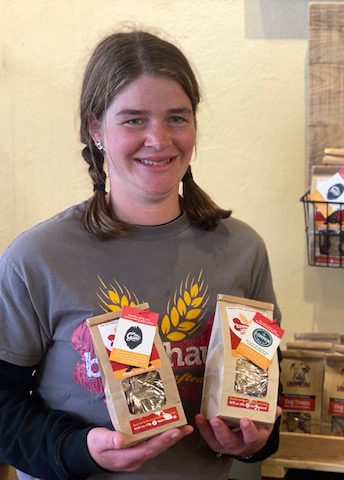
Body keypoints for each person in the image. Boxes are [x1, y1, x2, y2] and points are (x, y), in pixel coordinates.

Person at [0, 30, 281, 480]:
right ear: (96, 128)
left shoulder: (242, 249)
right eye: (133, 120)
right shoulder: (36, 257)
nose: (159, 139)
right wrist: (79, 449)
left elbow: (263, 391)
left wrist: (255, 440)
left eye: (177, 118)